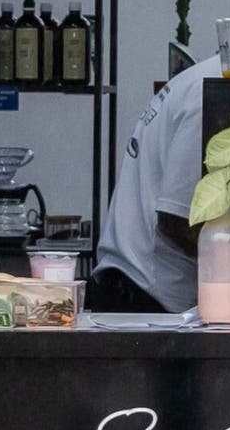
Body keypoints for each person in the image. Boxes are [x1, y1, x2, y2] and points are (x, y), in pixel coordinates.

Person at [86, 63, 214, 313]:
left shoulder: (199, 78)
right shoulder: (208, 94)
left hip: (134, 280)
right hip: (146, 294)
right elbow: (176, 219)